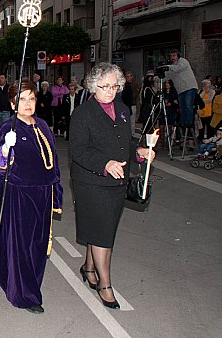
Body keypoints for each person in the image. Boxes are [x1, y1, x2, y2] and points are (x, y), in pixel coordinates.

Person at [69, 62, 156, 309]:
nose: (110, 91)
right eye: (104, 86)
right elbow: (78, 151)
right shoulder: (82, 114)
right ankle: (105, 284)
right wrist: (105, 163)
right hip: (91, 180)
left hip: (117, 180)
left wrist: (138, 152)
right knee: (103, 234)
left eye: (114, 86)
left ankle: (88, 267)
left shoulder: (122, 109)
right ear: (93, 86)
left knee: (102, 228)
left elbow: (123, 143)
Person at [0, 79, 62, 314]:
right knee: (20, 246)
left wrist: (56, 194)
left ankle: (17, 279)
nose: (27, 103)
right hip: (17, 195)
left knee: (38, 246)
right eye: (22, 99)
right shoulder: (7, 128)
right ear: (12, 103)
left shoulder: (43, 126)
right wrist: (5, 150)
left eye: (31, 98)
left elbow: (54, 165)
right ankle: (25, 295)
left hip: (42, 195)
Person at [161, 49, 198, 127]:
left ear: (178, 55)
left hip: (189, 87)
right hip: (181, 90)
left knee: (188, 105)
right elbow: (166, 77)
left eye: (174, 55)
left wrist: (167, 66)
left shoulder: (183, 61)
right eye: (171, 56)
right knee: (182, 106)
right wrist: (154, 78)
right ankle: (183, 122)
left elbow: (178, 68)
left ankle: (188, 122)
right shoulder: (172, 67)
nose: (172, 57)